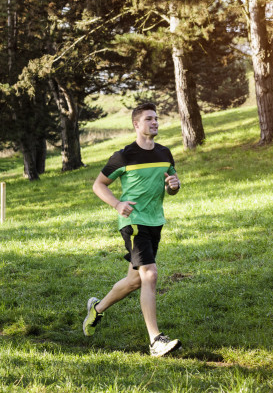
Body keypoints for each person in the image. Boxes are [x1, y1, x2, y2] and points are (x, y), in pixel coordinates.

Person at [83, 102, 182, 357]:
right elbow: (99, 184)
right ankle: (155, 341)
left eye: (157, 118)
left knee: (134, 280)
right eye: (149, 119)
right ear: (136, 125)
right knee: (150, 274)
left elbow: (172, 187)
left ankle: (96, 309)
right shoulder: (124, 156)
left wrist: (173, 184)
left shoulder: (164, 153)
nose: (155, 122)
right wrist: (117, 204)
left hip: (155, 221)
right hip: (134, 222)